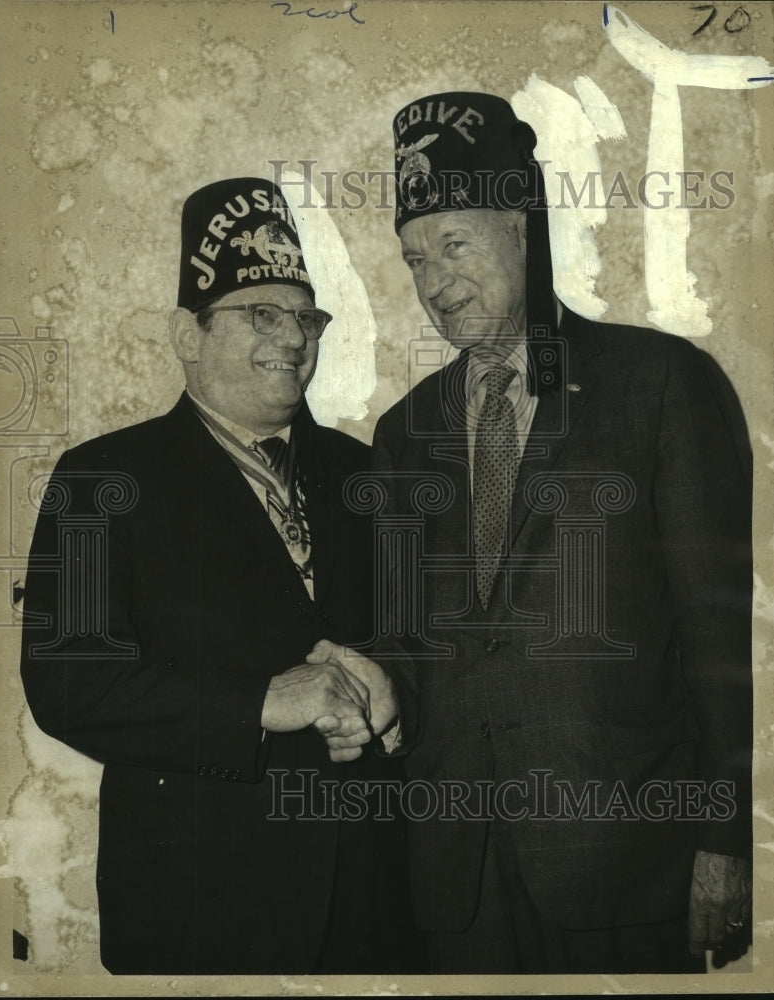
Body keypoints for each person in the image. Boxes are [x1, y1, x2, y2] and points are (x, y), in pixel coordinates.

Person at [318, 91, 753, 974]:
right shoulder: (404, 432)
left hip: (624, 861)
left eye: (454, 245)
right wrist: (367, 678)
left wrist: (725, 840)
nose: (433, 282)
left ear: (521, 225)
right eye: (412, 259)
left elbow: (715, 640)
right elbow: (412, 641)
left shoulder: (659, 383)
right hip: (455, 873)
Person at [19, 177, 416, 975]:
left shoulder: (369, 471)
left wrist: (396, 680)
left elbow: (427, 637)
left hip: (373, 899)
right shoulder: (103, 478)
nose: (294, 337)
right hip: (199, 904)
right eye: (259, 314)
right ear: (185, 334)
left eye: (306, 317)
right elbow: (67, 682)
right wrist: (260, 702)